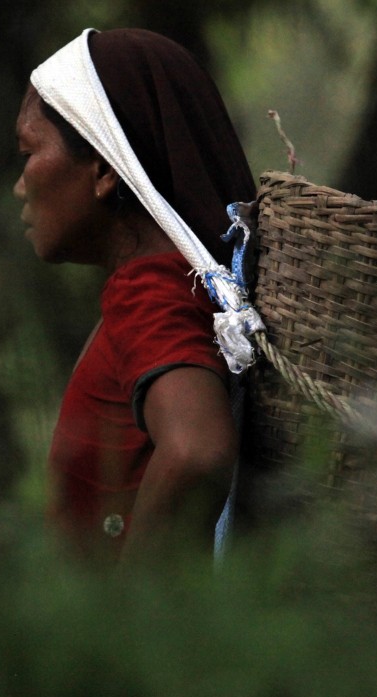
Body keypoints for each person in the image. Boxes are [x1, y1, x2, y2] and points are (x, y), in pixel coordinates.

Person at [13, 28, 257, 564]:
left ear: (102, 169)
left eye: (29, 152)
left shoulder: (148, 290)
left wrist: (130, 626)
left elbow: (197, 450)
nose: (19, 185)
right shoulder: (177, 284)